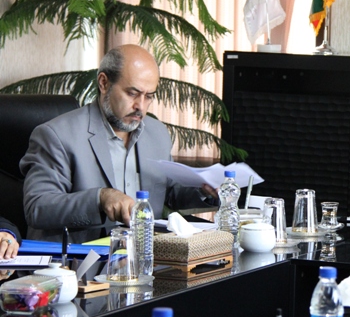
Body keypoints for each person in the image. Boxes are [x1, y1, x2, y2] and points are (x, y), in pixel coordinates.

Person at [20, 45, 219, 243]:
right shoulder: (56, 135)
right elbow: (37, 207)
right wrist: (100, 198)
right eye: (132, 93)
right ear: (104, 83)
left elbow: (170, 191)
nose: (141, 106)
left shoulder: (157, 133)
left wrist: (203, 189)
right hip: (78, 259)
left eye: (149, 96)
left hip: (144, 255)